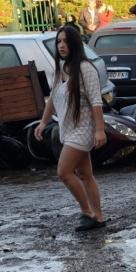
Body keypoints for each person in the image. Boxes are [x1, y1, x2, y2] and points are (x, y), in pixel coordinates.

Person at [35, 24, 107, 232]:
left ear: (75, 43)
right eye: (59, 42)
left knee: (64, 171)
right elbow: (52, 99)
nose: (61, 45)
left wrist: (99, 130)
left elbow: (96, 101)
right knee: (84, 174)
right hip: (68, 128)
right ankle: (99, 218)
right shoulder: (61, 69)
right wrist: (43, 122)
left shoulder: (85, 68)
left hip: (84, 129)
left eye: (66, 41)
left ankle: (88, 212)